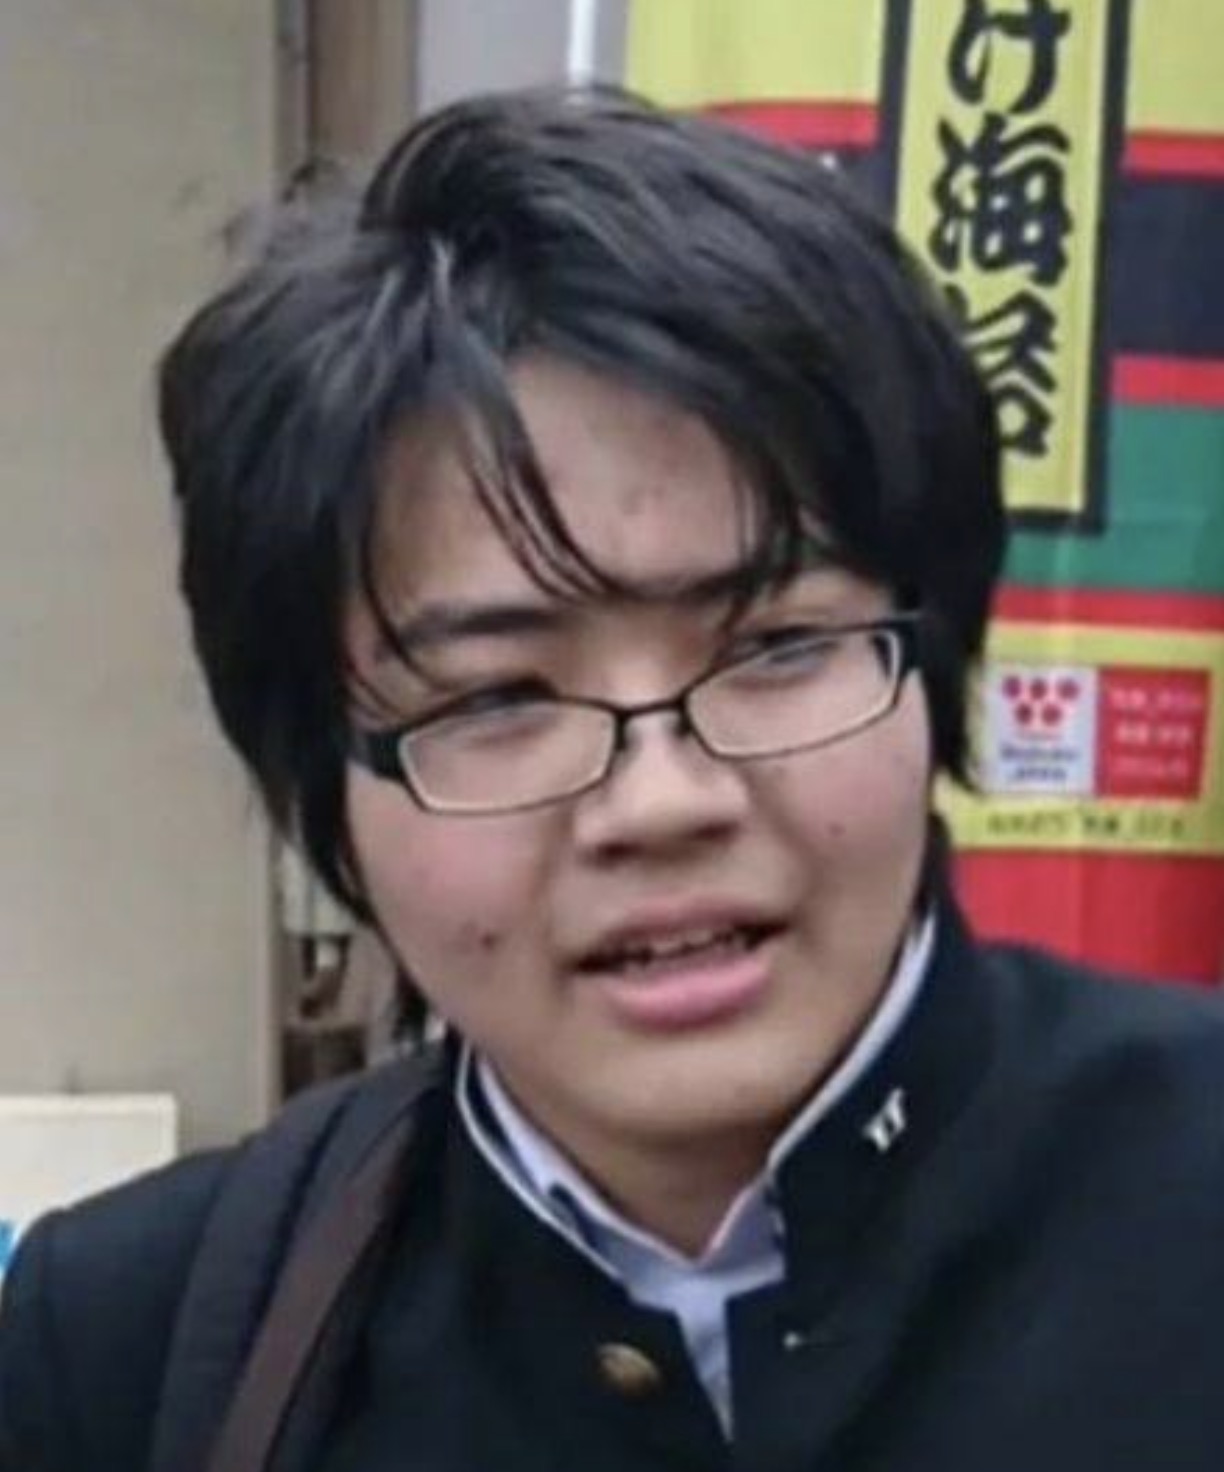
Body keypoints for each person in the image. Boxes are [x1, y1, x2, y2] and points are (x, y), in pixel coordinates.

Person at [2, 85, 1223, 1472]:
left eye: (774, 646)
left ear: (930, 653)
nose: (662, 803)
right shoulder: (133, 1345)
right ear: (322, 784)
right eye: (496, 698)